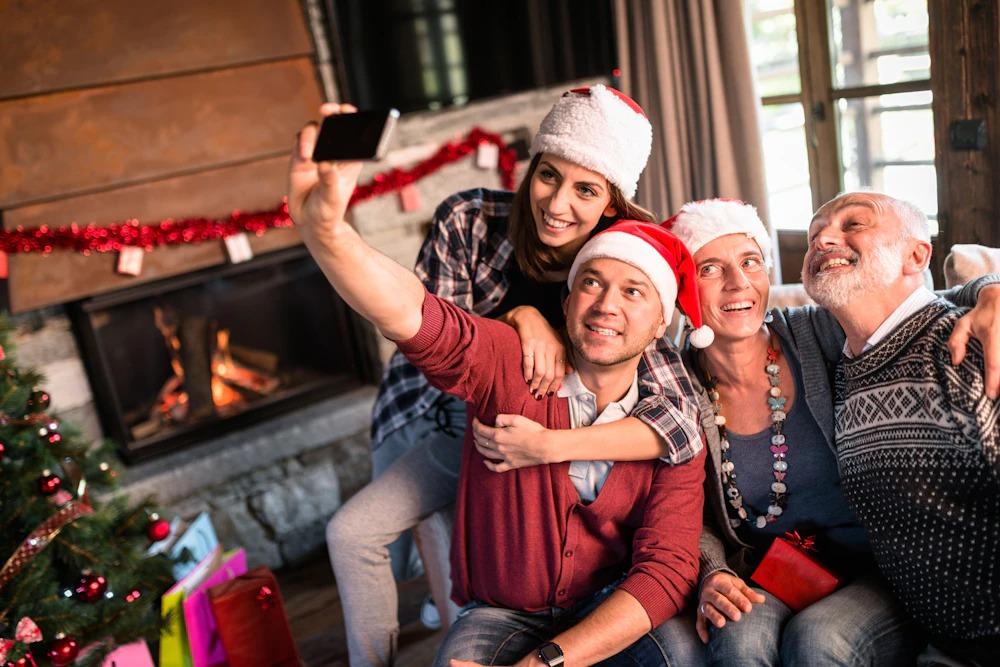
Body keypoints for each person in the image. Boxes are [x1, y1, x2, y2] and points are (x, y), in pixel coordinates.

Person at [472, 198, 1000, 666]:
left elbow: (923, 296)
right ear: (682, 291)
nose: (737, 283)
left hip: (872, 566)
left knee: (817, 642)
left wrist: (993, 289)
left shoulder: (819, 329)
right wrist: (712, 573)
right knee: (738, 641)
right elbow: (685, 509)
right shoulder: (674, 383)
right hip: (772, 571)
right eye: (710, 268)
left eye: (750, 262)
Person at [288, 116, 711, 664]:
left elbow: (670, 546)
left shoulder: (661, 408)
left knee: (677, 652)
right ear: (568, 298)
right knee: (393, 551)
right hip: (454, 430)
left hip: (601, 593)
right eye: (591, 283)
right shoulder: (503, 334)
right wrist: (328, 235)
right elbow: (417, 315)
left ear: (661, 325)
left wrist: (546, 447)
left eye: (633, 291)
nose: (607, 304)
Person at [802, 192, 1000, 666]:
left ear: (916, 255)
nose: (825, 238)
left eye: (854, 224)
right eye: (814, 236)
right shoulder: (840, 363)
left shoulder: (972, 347)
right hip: (942, 643)